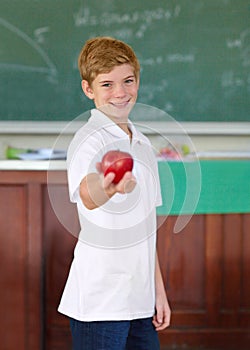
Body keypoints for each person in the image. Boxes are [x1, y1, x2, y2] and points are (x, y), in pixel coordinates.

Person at [58, 36, 171, 350]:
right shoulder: (88, 140)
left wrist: (157, 292)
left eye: (128, 81)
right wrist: (108, 186)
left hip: (140, 301)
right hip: (101, 302)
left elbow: (147, 228)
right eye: (107, 84)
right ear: (88, 89)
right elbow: (87, 194)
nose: (120, 92)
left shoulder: (144, 144)